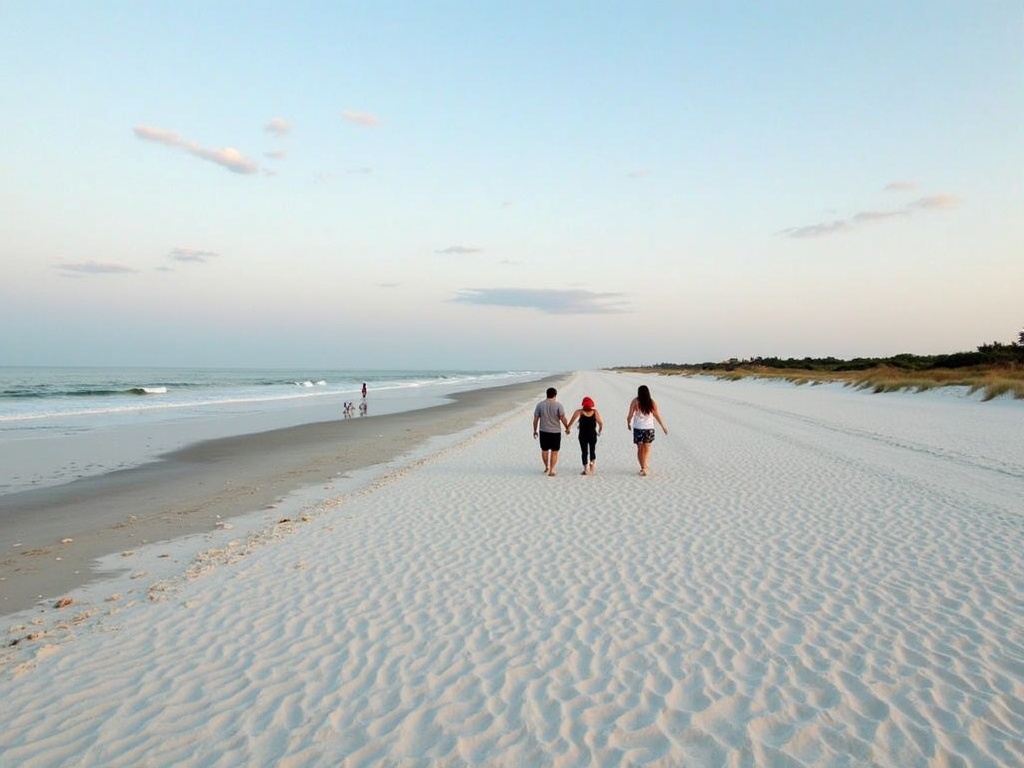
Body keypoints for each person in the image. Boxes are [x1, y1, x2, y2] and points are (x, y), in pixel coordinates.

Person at [626, 384, 668, 476]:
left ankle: (643, 467)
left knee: (640, 449)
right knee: (647, 448)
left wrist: (628, 423)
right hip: (649, 429)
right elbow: (657, 415)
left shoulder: (635, 401)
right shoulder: (652, 402)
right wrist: (663, 426)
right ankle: (645, 466)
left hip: (638, 428)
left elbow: (630, 415)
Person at [532, 387, 569, 476]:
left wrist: (535, 430)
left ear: (547, 394)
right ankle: (552, 470)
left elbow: (536, 419)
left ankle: (546, 467)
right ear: (555, 395)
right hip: (555, 432)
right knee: (554, 451)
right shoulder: (558, 405)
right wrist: (567, 427)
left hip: (543, 431)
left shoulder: (540, 405)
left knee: (544, 450)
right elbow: (562, 418)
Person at [566, 396, 604, 475]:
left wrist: (568, 429)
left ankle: (585, 469)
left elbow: (571, 422)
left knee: (584, 452)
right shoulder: (595, 412)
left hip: (582, 435)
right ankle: (592, 466)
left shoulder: (579, 412)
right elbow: (600, 423)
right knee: (592, 450)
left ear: (583, 404)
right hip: (593, 435)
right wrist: (599, 430)